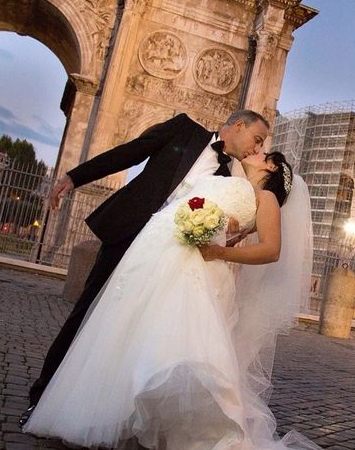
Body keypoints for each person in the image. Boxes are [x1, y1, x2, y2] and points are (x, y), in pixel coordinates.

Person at [23, 153, 355, 450]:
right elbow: (238, 233)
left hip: (204, 271)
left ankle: (180, 437)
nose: (256, 151)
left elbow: (271, 250)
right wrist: (223, 238)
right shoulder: (246, 190)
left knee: (190, 355)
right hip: (189, 270)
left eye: (262, 151)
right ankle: (153, 429)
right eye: (256, 144)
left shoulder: (267, 199)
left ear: (272, 170)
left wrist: (219, 250)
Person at [19, 110, 270, 427]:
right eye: (257, 139)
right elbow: (129, 153)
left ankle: (110, 412)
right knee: (85, 314)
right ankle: (41, 398)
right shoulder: (183, 130)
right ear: (238, 126)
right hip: (127, 234)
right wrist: (73, 177)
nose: (256, 149)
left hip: (165, 256)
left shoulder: (226, 178)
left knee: (135, 332)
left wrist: (227, 232)